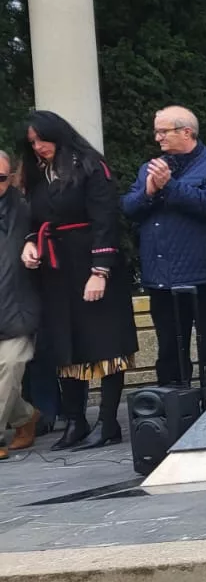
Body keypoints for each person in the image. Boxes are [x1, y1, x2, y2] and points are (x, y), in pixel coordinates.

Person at [18, 111, 139, 450]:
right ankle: (76, 420)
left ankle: (108, 420)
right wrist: (30, 241)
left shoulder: (89, 166)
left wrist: (100, 270)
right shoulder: (38, 173)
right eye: (32, 143)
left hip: (90, 260)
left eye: (42, 140)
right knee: (64, 342)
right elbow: (35, 217)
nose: (38, 147)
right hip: (56, 269)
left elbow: (105, 220)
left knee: (105, 341)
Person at [120, 105, 206, 406]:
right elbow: (129, 207)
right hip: (162, 278)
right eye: (156, 131)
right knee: (170, 353)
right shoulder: (152, 167)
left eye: (163, 131)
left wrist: (169, 186)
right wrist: (148, 190)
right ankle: (173, 414)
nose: (157, 137)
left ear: (186, 132)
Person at [0, 150, 40, 458]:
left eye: (1, 178)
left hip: (17, 306)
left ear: (12, 177)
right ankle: (25, 416)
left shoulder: (27, 209)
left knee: (9, 365)